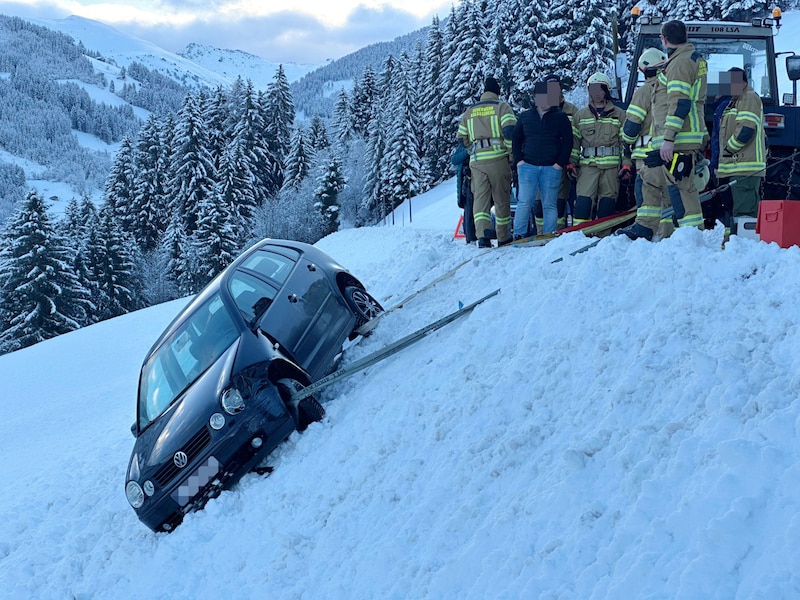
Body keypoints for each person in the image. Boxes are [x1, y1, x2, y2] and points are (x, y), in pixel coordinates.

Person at [618, 19, 708, 241]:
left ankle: (690, 237)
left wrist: (668, 139)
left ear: (665, 39)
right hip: (671, 139)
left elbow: (680, 103)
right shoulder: (685, 60)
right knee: (651, 177)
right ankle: (646, 226)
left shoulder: (679, 64)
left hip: (677, 139)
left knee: (680, 188)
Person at [620, 47, 675, 240]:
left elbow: (632, 126)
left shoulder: (644, 91)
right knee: (669, 195)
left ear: (645, 70)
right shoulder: (673, 89)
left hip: (647, 156)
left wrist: (626, 144)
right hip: (672, 153)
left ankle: (645, 234)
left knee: (648, 196)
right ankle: (668, 236)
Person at [457, 76, 517, 247]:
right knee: (501, 199)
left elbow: (461, 138)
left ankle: (482, 236)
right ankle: (503, 236)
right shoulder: (502, 107)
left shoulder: (469, 111)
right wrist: (511, 152)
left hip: (477, 162)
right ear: (497, 92)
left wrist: (473, 150)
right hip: (498, 159)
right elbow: (509, 131)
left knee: (480, 200)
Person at [511, 79, 573, 237]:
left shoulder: (560, 117)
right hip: (527, 167)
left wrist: (560, 164)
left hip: (551, 168)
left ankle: (549, 235)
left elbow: (568, 142)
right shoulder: (525, 117)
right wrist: (519, 161)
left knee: (550, 205)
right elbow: (516, 139)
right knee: (524, 203)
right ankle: (518, 235)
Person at [569, 72, 630, 226]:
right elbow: (574, 142)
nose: (596, 93)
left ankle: (603, 240)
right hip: (588, 168)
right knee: (583, 203)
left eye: (600, 89)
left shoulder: (620, 115)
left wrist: (627, 164)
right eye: (593, 90)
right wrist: (571, 163)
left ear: (606, 91)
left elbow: (625, 143)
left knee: (607, 205)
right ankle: (578, 236)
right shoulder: (580, 115)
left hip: (611, 170)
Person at [713, 67, 765, 220]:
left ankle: (744, 242)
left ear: (743, 82)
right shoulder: (734, 101)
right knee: (738, 212)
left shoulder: (748, 98)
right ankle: (737, 240)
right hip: (735, 167)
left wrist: (728, 150)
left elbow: (746, 130)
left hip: (744, 168)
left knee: (744, 213)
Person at [451, 145, 478, 244]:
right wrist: (467, 152)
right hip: (467, 183)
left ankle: (477, 235)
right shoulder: (463, 146)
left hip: (477, 179)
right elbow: (454, 160)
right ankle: (471, 237)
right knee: (469, 209)